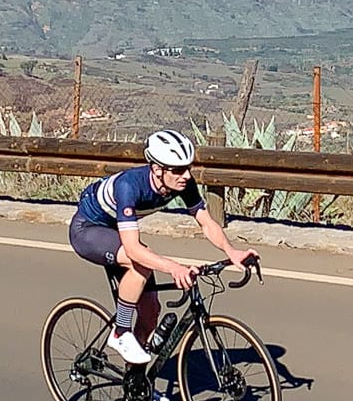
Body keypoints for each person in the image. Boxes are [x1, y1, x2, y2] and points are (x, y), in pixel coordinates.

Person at [68, 128, 258, 366]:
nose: (186, 175)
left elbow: (207, 222)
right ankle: (119, 332)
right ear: (157, 169)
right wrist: (175, 268)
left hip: (118, 231)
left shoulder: (182, 183)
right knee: (140, 261)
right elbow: (134, 249)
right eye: (178, 170)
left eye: (188, 167)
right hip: (88, 230)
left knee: (149, 315)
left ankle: (136, 386)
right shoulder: (129, 186)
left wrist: (232, 252)